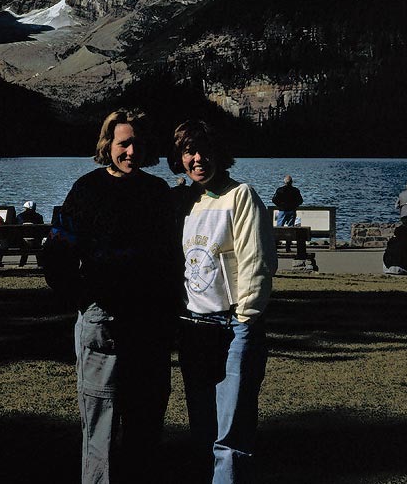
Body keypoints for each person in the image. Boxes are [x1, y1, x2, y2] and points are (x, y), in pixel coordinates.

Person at [43, 108, 180, 484]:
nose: (131, 151)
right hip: (105, 325)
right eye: (123, 143)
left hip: (150, 328)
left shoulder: (156, 193)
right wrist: (89, 301)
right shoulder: (87, 190)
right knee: (100, 425)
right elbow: (56, 254)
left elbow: (172, 259)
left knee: (146, 422)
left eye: (137, 143)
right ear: (108, 145)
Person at [169, 119, 277, 483]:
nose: (197, 159)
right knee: (203, 426)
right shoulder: (185, 202)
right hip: (193, 326)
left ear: (220, 154)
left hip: (233, 326)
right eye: (188, 151)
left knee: (231, 431)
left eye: (204, 150)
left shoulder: (240, 196)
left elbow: (256, 260)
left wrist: (245, 317)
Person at [271, 174, 304, 258]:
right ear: (292, 182)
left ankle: (275, 247)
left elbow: (274, 200)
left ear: (284, 182)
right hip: (292, 211)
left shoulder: (280, 190)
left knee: (279, 228)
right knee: (290, 229)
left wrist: (280, 205)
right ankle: (288, 247)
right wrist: (294, 205)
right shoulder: (295, 190)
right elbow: (300, 200)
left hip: (282, 211)